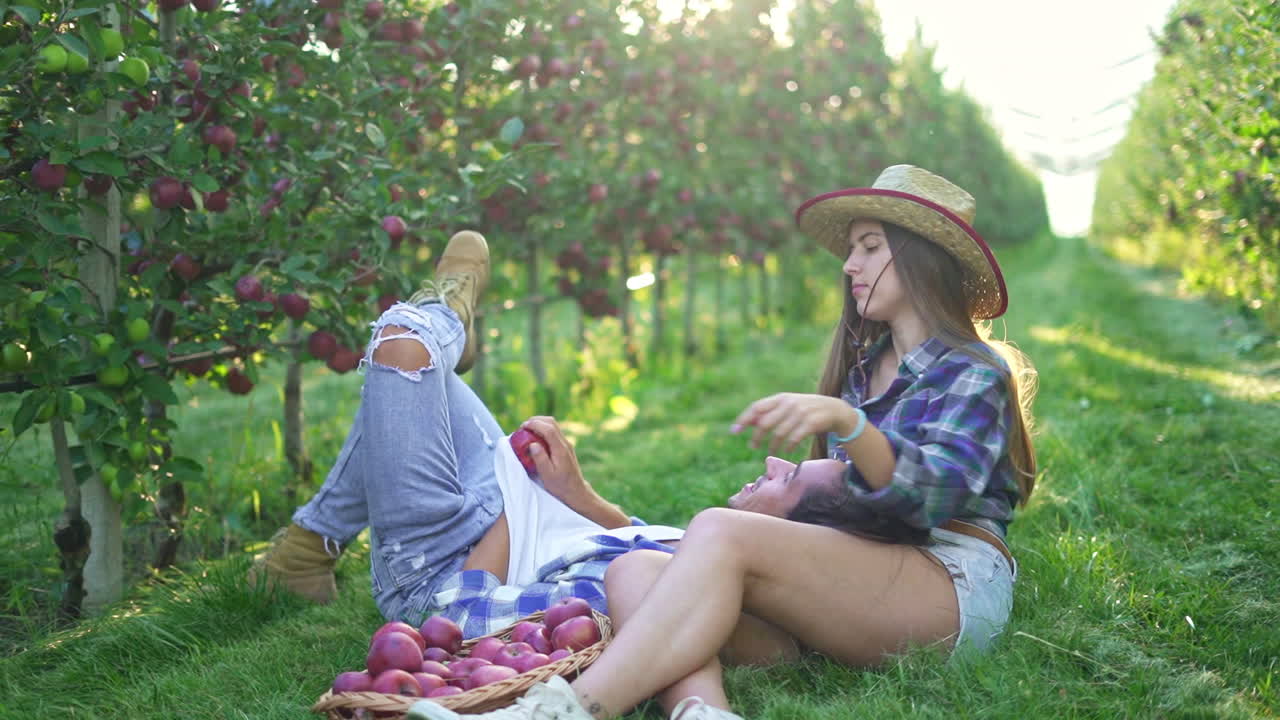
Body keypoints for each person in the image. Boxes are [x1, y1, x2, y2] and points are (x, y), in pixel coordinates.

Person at [406, 164, 1039, 720]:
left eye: (870, 248)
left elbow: (924, 502)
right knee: (636, 570)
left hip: (947, 588)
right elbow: (865, 514)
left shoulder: (973, 371)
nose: (849, 265)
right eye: (851, 250)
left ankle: (562, 712)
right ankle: (703, 712)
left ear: (922, 255)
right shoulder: (863, 370)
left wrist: (849, 431)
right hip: (867, 589)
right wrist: (799, 497)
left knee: (719, 530)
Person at [248, 230, 687, 636]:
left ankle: (448, 315)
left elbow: (461, 613)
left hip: (443, 571)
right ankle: (302, 559)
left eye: (762, 472)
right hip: (502, 511)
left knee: (405, 346)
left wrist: (521, 496)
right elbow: (632, 535)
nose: (760, 462)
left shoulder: (671, 594)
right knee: (416, 383)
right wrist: (574, 491)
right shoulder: (707, 551)